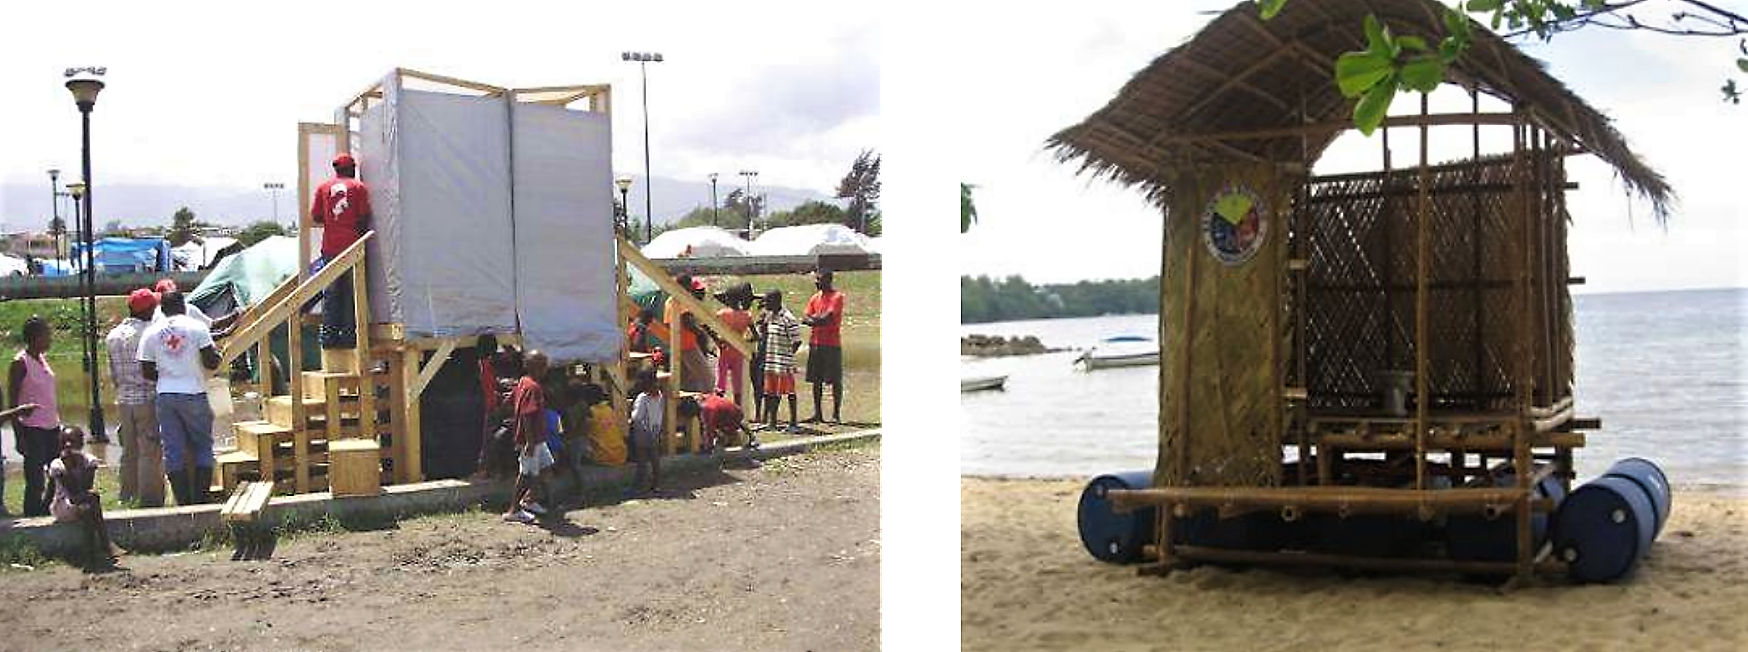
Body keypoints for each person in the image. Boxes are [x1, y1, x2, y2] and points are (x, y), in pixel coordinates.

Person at [138, 290, 222, 506]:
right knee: (203, 446)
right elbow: (211, 362)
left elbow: (146, 370)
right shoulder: (197, 327)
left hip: (165, 395)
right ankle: (201, 500)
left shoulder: (151, 332)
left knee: (173, 450)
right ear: (184, 306)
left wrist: (169, 375)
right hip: (194, 392)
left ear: (162, 310)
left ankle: (183, 504)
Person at [105, 288, 167, 508]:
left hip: (123, 400)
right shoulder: (150, 333)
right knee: (149, 452)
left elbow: (112, 372)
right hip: (146, 398)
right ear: (148, 309)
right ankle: (151, 499)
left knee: (128, 452)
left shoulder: (112, 335)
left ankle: (127, 495)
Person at [310, 152, 372, 350]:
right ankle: (348, 337)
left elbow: (316, 216)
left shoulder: (323, 188)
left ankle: (328, 337)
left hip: (330, 247)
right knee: (350, 294)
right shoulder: (359, 187)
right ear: (352, 169)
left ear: (336, 169)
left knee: (331, 293)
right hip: (352, 247)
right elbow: (364, 217)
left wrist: (333, 222)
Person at [49, 426, 124, 568]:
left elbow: (86, 486)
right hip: (64, 506)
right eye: (65, 441)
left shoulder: (89, 460)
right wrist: (69, 465)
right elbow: (72, 491)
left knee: (88, 509)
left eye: (72, 441)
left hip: (83, 502)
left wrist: (76, 462)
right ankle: (106, 543)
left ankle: (91, 556)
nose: (68, 445)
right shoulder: (57, 465)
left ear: (81, 443)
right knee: (93, 498)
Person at [10, 316, 62, 517]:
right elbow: (13, 402)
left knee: (57, 472)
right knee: (35, 479)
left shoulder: (42, 359)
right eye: (47, 334)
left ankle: (46, 508)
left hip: (51, 427)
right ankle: (32, 514)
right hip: (32, 428)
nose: (50, 338)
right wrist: (19, 437)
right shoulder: (20, 363)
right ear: (35, 337)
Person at [504, 351, 554, 524]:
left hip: (539, 438)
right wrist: (530, 442)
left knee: (546, 467)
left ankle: (529, 500)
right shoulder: (533, 387)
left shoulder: (524, 382)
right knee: (526, 474)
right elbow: (527, 415)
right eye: (545, 365)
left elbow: (512, 401)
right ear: (540, 368)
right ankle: (513, 510)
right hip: (532, 440)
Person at [802, 268, 847, 424]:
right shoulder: (815, 298)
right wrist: (816, 319)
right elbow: (805, 317)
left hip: (831, 344)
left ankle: (836, 414)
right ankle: (818, 413)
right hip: (815, 343)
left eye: (819, 279)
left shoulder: (837, 297)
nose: (816, 282)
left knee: (835, 380)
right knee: (816, 380)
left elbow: (827, 318)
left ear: (828, 280)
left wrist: (814, 319)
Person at [758, 290, 804, 433]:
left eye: (767, 301)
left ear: (776, 301)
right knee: (771, 393)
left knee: (790, 393)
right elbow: (764, 337)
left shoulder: (788, 318)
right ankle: (772, 423)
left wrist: (787, 356)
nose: (765, 304)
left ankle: (794, 423)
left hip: (784, 363)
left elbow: (797, 341)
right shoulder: (770, 317)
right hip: (771, 362)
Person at [713, 282, 755, 406]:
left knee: (721, 382)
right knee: (738, 385)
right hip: (739, 351)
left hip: (724, 350)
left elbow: (706, 325)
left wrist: (717, 340)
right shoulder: (746, 315)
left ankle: (717, 407)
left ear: (727, 299)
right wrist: (745, 341)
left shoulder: (722, 314)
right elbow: (755, 335)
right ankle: (738, 411)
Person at [677, 392, 759, 455]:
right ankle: (750, 436)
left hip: (732, 418)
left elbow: (709, 431)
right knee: (716, 428)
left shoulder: (708, 411)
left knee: (724, 437)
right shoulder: (703, 399)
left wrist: (707, 449)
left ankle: (734, 440)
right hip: (734, 410)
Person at [628, 367, 666, 496]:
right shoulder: (659, 395)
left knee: (642, 461)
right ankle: (656, 484)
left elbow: (637, 417)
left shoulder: (642, 398)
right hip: (655, 429)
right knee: (655, 459)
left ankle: (639, 486)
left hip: (642, 432)